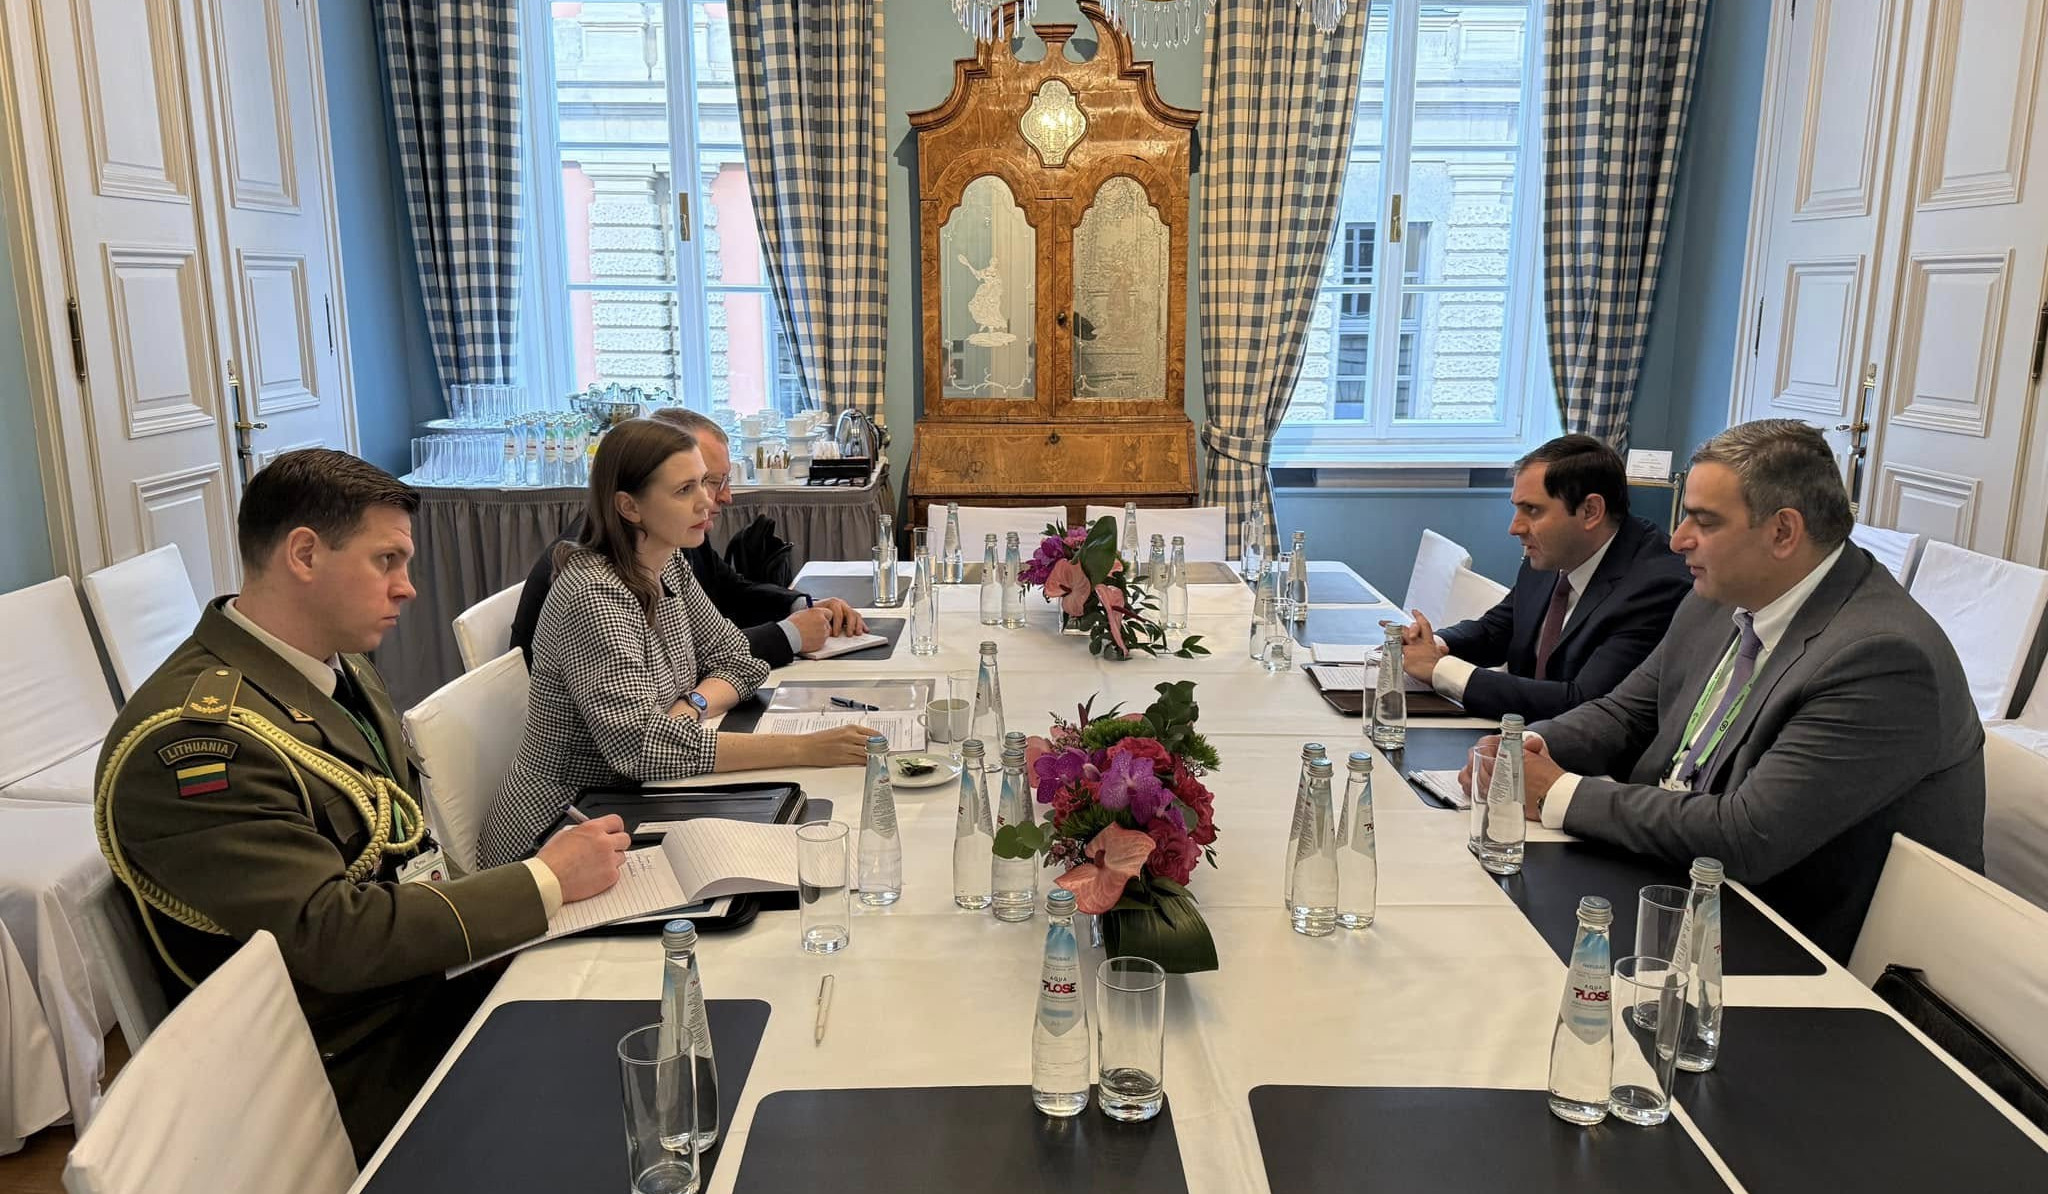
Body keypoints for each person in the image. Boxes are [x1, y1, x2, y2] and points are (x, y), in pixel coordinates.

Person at [93, 450, 631, 1162]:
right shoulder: (198, 745)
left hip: (418, 989)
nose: (408, 587)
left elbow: (401, 849)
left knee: (649, 987)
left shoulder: (334, 667)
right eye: (387, 561)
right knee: (631, 1083)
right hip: (343, 1070)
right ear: (304, 555)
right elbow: (332, 938)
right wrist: (544, 880)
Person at [1500, 420, 1984, 960]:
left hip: (1790, 942)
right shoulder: (1719, 596)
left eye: (1703, 521)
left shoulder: (1882, 658)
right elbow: (1626, 713)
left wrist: (1557, 792)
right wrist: (1527, 748)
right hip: (1675, 878)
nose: (1678, 539)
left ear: (1783, 532)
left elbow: (1747, 835)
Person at [480, 419, 873, 867]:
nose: (707, 500)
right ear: (629, 506)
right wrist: (805, 748)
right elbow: (642, 748)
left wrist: (691, 707)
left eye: (704, 482)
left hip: (632, 803)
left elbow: (739, 659)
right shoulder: (592, 594)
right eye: (685, 490)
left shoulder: (666, 563)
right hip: (558, 833)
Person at [508, 407, 866, 667]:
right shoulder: (595, 584)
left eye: (706, 482)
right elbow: (677, 678)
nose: (718, 498)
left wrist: (801, 607)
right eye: (695, 485)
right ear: (630, 505)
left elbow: (723, 621)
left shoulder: (667, 546)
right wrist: (789, 635)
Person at [1398, 434, 1693, 723]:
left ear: (1590, 511)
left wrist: (1440, 670)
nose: (1515, 528)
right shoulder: (1557, 550)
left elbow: (1583, 704)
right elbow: (1497, 631)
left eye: (1532, 510)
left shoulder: (1656, 587)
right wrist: (1433, 644)